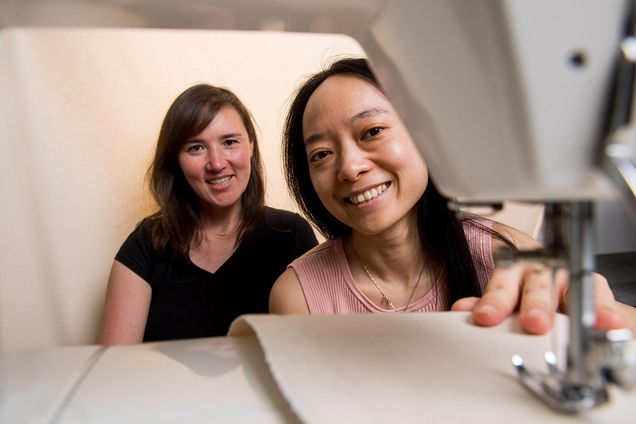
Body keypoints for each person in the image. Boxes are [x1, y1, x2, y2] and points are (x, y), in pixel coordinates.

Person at [269, 57, 636, 335]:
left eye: (372, 131)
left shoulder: (501, 254)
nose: (349, 168)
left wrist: (585, 305)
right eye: (321, 154)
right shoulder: (298, 296)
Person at [100, 84, 318, 344]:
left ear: (250, 145)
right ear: (175, 160)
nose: (216, 163)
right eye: (196, 148)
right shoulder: (145, 245)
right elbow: (114, 371)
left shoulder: (291, 235)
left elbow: (311, 357)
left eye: (229, 142)